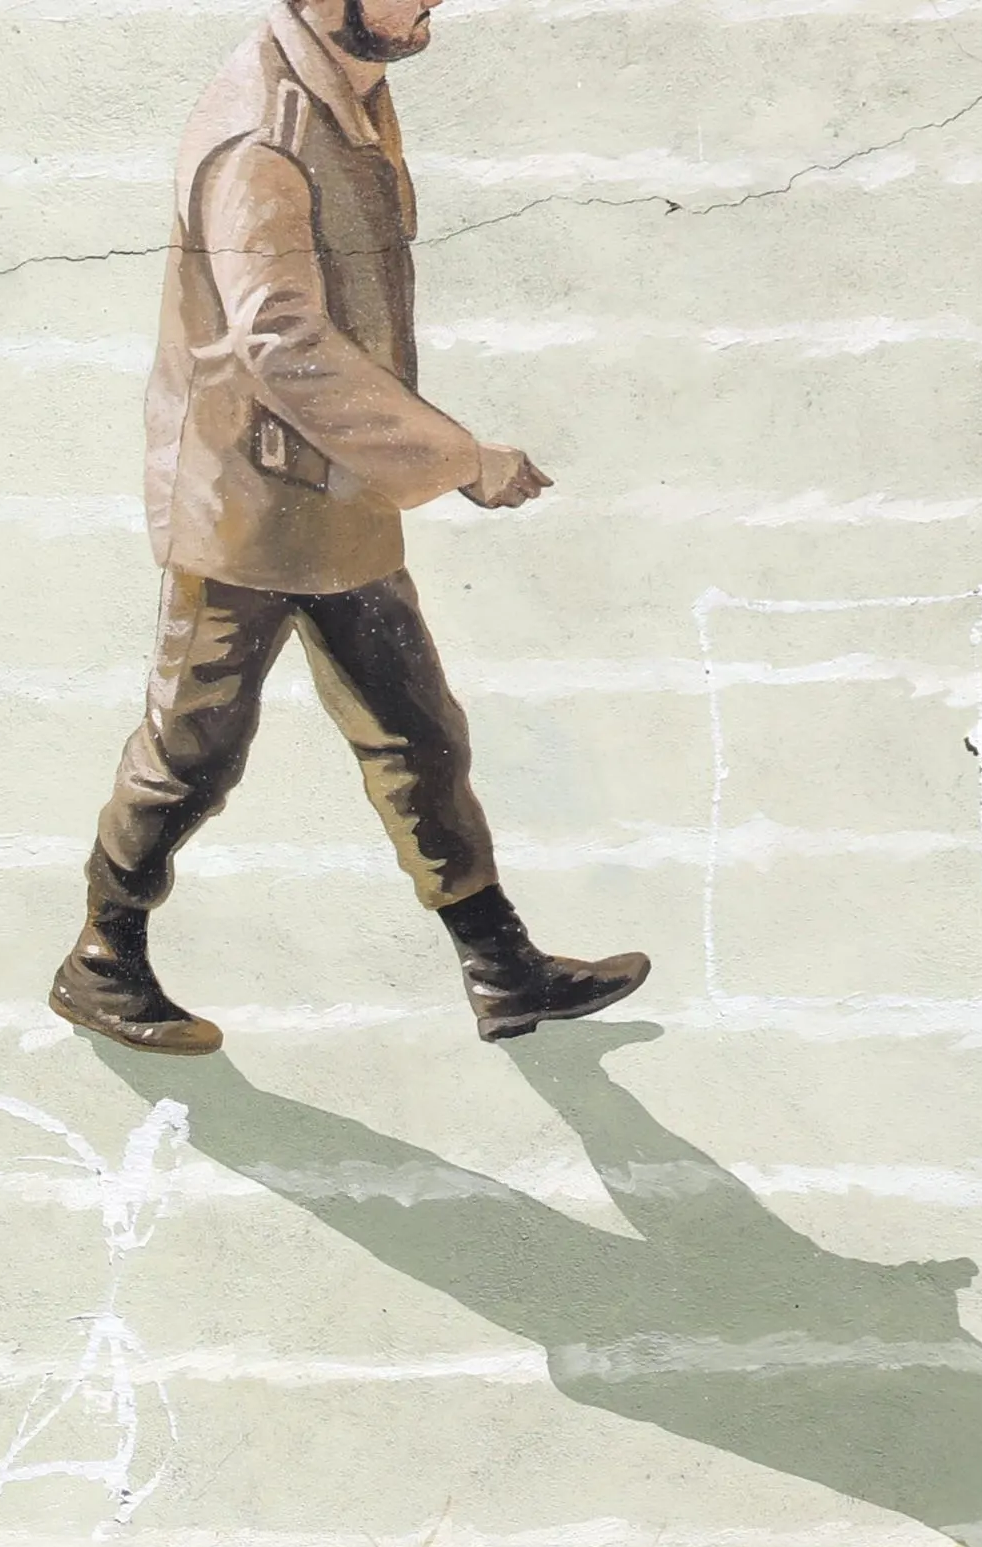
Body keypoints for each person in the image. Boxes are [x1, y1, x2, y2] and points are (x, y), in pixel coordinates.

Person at [51, 0, 651, 1057]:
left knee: (416, 731)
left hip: (336, 497)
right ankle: (100, 958)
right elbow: (279, 342)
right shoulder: (261, 134)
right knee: (191, 753)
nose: (428, 0)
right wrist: (459, 458)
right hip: (244, 508)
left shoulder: (351, 95)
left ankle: (500, 969)